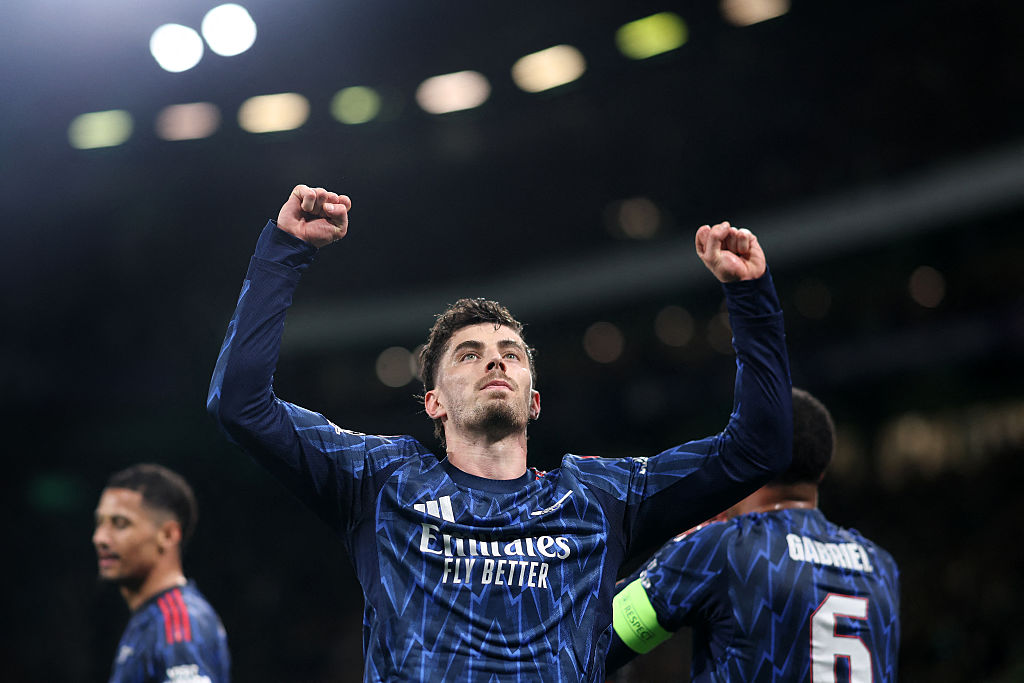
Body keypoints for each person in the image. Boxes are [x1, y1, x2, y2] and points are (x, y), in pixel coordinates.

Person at [206, 185, 792, 682]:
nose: (495, 362)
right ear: (432, 402)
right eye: (469, 355)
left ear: (533, 401)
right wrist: (283, 252)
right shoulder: (378, 481)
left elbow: (758, 449)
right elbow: (241, 404)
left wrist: (751, 298)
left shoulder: (601, 497)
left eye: (511, 354)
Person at [606, 388, 901, 681]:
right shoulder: (881, 566)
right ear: (821, 471)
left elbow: (594, 638)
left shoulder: (723, 548)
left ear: (748, 455)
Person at [93, 463, 231, 683]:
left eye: (120, 523)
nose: (100, 538)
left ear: (167, 535)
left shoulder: (178, 622)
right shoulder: (153, 618)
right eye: (99, 523)